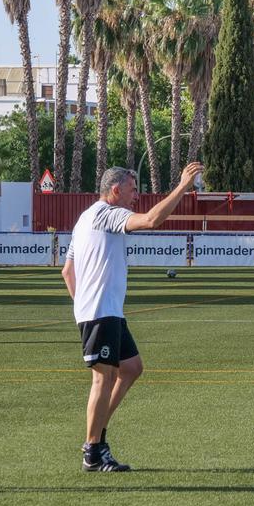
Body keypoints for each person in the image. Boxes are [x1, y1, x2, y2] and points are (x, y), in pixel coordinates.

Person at [62, 162, 203, 472]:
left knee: (131, 368)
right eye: (132, 189)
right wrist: (182, 186)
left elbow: (67, 271)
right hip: (100, 312)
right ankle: (93, 451)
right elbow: (152, 220)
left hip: (103, 311)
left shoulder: (85, 218)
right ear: (115, 190)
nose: (136, 195)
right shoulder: (105, 214)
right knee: (103, 378)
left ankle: (97, 437)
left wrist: (81, 307)